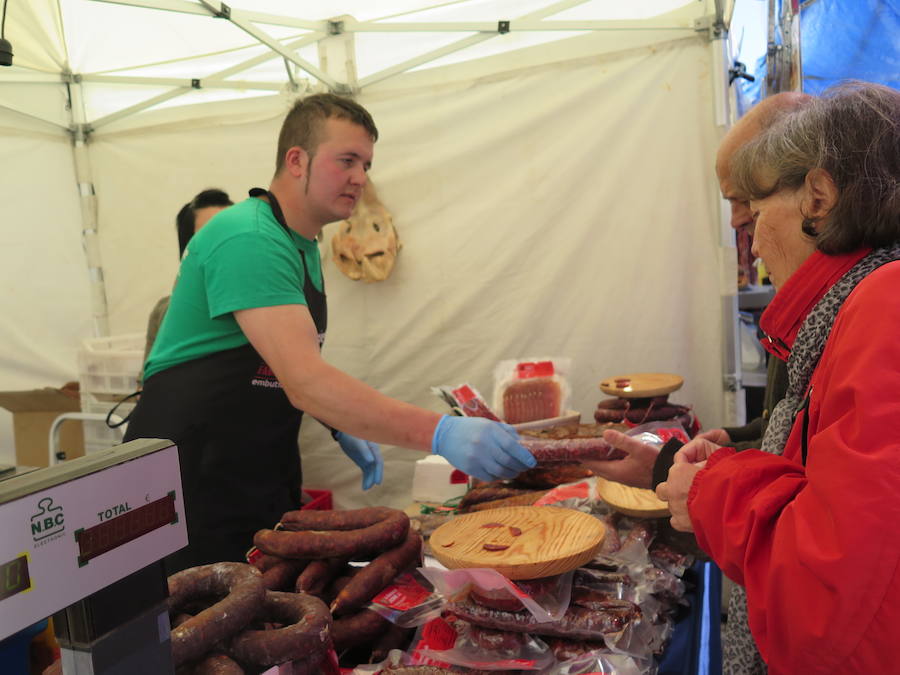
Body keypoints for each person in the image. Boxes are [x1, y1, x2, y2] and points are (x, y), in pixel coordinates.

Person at [124, 93, 536, 574]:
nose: (360, 177)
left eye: (365, 164)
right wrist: (439, 432)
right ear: (296, 160)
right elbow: (305, 380)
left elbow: (278, 362)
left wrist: (337, 421)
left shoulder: (301, 246)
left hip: (251, 473)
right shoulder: (248, 237)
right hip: (185, 485)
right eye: (347, 160)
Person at [656, 82, 900, 674]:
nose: (753, 239)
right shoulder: (857, 307)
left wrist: (709, 491)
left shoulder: (883, 308)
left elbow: (828, 599)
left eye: (757, 211)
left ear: (818, 195)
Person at [582, 91, 811, 491]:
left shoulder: (859, 308)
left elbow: (810, 491)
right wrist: (731, 440)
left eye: (751, 203)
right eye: (735, 203)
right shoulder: (804, 293)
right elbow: (787, 429)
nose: (740, 223)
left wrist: (672, 474)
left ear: (817, 192)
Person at [143, 188, 234, 366]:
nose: (226, 244)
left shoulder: (269, 303)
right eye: (211, 235)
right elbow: (146, 386)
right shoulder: (166, 311)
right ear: (187, 249)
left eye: (232, 232)